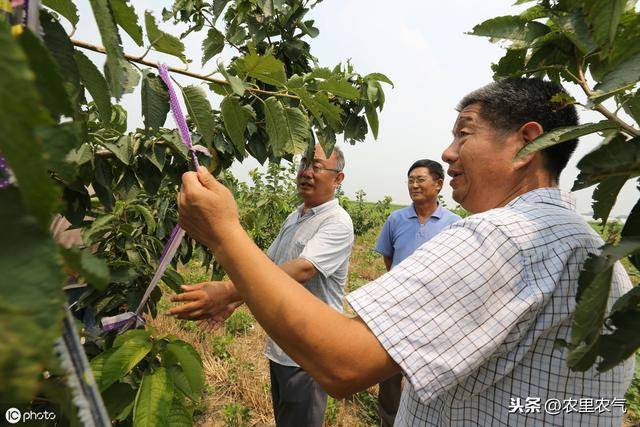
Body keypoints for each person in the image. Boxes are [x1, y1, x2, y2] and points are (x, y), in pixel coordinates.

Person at [176, 77, 634, 426]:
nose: (448, 153)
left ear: (526, 142)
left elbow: (344, 362)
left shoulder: (500, 236)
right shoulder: (595, 250)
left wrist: (224, 233)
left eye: (464, 135)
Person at [171, 144, 354, 427]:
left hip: (308, 354)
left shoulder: (337, 222)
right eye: (303, 163)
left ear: (338, 178)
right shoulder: (295, 216)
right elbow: (267, 265)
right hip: (281, 345)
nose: (306, 172)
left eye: (316, 166)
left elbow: (303, 269)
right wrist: (234, 300)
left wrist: (228, 291)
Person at [375, 159, 460, 426]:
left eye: (420, 179)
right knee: (389, 371)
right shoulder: (396, 219)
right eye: (411, 180)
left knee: (426, 371)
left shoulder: (453, 223)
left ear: (438, 184)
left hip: (436, 312)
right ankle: (389, 419)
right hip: (398, 308)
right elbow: (389, 259)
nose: (414, 185)